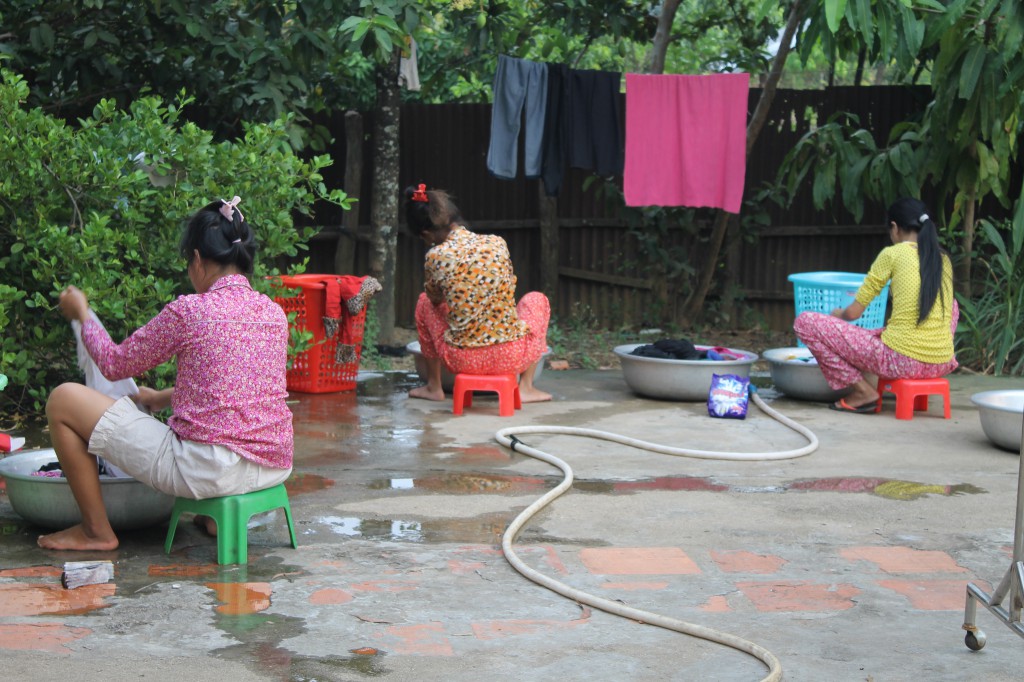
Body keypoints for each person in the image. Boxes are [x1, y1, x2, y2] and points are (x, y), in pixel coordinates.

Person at [39, 197, 294, 551]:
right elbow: (236, 391)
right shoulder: (273, 314)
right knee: (217, 436)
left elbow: (113, 365)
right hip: (272, 467)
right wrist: (158, 398)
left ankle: (96, 531)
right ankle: (213, 517)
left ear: (198, 260)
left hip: (206, 469)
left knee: (63, 400)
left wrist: (82, 314)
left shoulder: (191, 311)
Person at [793, 197, 958, 413]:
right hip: (941, 362)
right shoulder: (942, 259)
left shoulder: (892, 254)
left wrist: (837, 314)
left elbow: (853, 313)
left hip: (901, 361)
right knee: (952, 304)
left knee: (805, 322)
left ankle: (863, 391)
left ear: (895, 228)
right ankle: (923, 357)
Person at [403, 183, 551, 403]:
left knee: (425, 301)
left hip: (461, 360)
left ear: (426, 234)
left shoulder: (436, 256)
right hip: (511, 358)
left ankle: (434, 387)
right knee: (537, 299)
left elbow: (435, 301)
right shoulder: (497, 244)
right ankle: (526, 387)